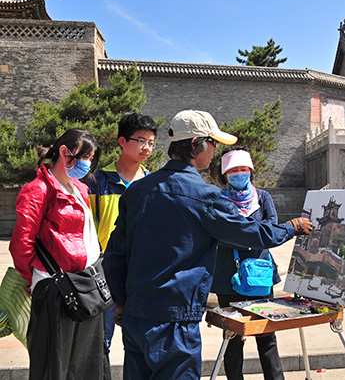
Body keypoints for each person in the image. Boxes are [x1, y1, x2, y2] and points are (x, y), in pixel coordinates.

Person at [103, 110, 313, 380]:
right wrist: (292, 227)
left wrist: (120, 302)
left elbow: (115, 254)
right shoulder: (205, 197)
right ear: (195, 145)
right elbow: (252, 234)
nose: (215, 151)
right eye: (212, 143)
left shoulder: (137, 191)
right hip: (174, 321)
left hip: (136, 316)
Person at [10, 128, 104, 379]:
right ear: (64, 151)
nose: (88, 164)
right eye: (84, 157)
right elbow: (22, 242)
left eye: (91, 158)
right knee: (54, 365)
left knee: (83, 365)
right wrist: (30, 277)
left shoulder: (79, 188)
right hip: (55, 287)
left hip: (83, 285)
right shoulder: (38, 189)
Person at [87, 112, 158, 378]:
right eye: (141, 140)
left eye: (151, 142)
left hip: (141, 273)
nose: (146, 147)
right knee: (100, 342)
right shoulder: (97, 181)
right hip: (103, 272)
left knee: (139, 343)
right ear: (122, 141)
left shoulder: (153, 183)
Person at [211, 146, 284, 380]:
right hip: (228, 278)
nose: (240, 173)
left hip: (260, 274)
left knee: (266, 334)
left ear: (251, 171)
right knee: (232, 337)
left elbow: (271, 231)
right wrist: (254, 235)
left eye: (244, 169)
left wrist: (240, 234)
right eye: (234, 170)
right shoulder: (217, 200)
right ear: (225, 174)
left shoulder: (262, 197)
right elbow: (216, 235)